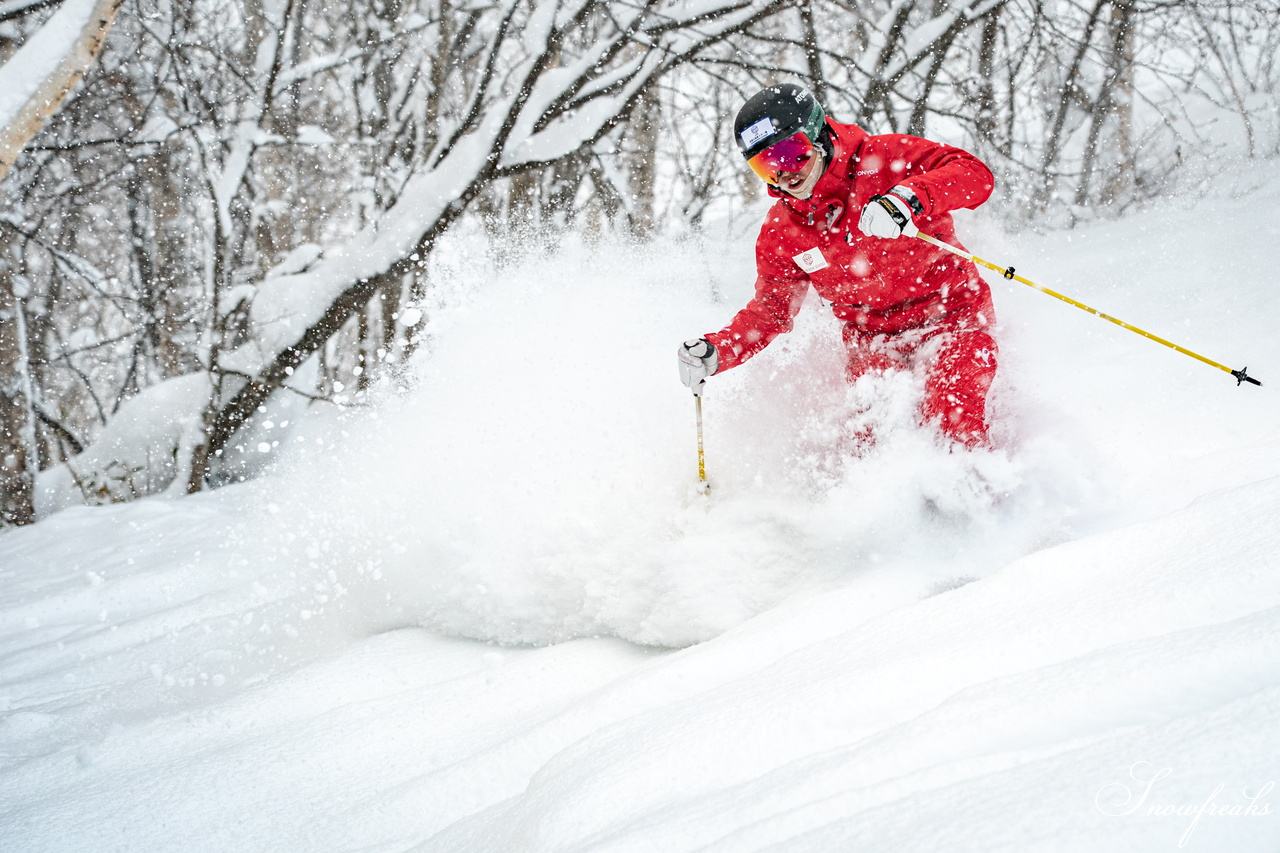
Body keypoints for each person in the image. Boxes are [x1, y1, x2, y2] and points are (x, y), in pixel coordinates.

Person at [678, 83, 999, 447]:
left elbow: (975, 176)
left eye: (792, 153)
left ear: (818, 134)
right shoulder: (784, 231)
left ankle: (980, 493)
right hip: (873, 341)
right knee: (873, 440)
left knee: (952, 420)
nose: (784, 173)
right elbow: (772, 311)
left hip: (952, 318)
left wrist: (910, 198)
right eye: (766, 165)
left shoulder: (886, 159)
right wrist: (720, 349)